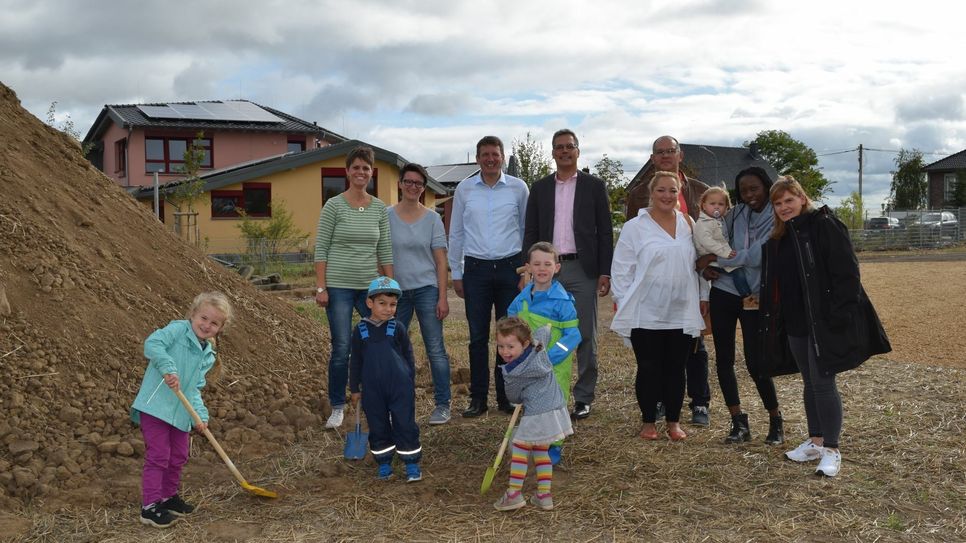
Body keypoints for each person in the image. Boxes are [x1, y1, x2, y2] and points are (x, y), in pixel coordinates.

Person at [760, 177, 890, 477]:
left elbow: (847, 274)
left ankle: (832, 449)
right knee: (809, 381)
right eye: (777, 203)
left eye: (788, 200)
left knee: (822, 382)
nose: (783, 207)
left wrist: (838, 315)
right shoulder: (780, 237)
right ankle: (816, 441)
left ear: (802, 198)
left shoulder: (824, 225)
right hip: (794, 322)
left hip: (823, 321)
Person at [523, 128, 613, 420]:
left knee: (584, 334)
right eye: (559, 147)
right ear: (552, 153)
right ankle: (548, 393)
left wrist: (604, 271)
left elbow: (605, 233)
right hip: (547, 270)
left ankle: (584, 397)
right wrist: (529, 268)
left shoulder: (594, 186)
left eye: (569, 147)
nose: (564, 151)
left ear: (578, 151)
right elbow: (532, 231)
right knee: (544, 333)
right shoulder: (539, 188)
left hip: (582, 268)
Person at [611, 171, 708, 441]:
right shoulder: (635, 226)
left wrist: (703, 297)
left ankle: (674, 423)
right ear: (651, 194)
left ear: (679, 194)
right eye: (661, 190)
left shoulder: (688, 222)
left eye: (672, 191)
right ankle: (648, 422)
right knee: (649, 366)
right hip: (646, 310)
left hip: (680, 308)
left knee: (677, 368)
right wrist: (623, 300)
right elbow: (621, 269)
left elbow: (698, 265)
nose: (667, 196)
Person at [696, 167, 785, 445]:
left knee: (756, 362)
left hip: (754, 295)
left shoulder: (776, 214)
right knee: (724, 360)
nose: (749, 195)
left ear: (766, 187)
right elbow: (707, 237)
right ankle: (738, 421)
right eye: (744, 191)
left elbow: (757, 255)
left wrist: (713, 260)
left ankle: (776, 420)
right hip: (724, 291)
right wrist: (703, 266)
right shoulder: (734, 214)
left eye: (754, 188)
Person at [131, 292, 234, 528]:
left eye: (214, 323)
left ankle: (168, 498)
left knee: (178, 456)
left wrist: (200, 415)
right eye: (203, 318)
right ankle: (150, 507)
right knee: (159, 455)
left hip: (181, 413)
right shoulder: (177, 330)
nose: (207, 325)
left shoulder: (207, 354)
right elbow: (152, 344)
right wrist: (168, 368)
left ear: (220, 328)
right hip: (156, 407)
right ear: (192, 315)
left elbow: (195, 388)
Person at [448, 136, 529, 418]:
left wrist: (525, 271)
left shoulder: (519, 188)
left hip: (510, 270)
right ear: (477, 158)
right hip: (476, 270)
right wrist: (456, 273)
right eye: (484, 154)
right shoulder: (465, 189)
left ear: (503, 157)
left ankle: (507, 396)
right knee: (477, 337)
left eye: (495, 154)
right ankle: (478, 398)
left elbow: (525, 230)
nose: (490, 159)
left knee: (508, 336)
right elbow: (456, 232)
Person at [314, 145, 393, 430]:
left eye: (366, 168)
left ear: (371, 174)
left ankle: (381, 399)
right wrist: (321, 287)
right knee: (342, 347)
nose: (361, 172)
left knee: (380, 340)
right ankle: (337, 406)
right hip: (339, 287)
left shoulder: (379, 208)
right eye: (356, 167)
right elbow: (321, 248)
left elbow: (384, 249)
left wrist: (389, 286)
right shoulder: (333, 205)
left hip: (368, 288)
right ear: (348, 172)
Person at [388, 163, 453, 425]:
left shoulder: (432, 219)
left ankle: (443, 404)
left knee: (435, 348)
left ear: (423, 188)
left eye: (418, 183)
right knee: (395, 349)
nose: (413, 187)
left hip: (427, 289)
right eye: (409, 182)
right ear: (400, 184)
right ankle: (400, 404)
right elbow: (384, 255)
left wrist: (442, 296)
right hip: (397, 292)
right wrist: (387, 290)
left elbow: (440, 261)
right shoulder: (387, 215)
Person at [507, 241, 581, 465]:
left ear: (556, 268)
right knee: (533, 402)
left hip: (554, 365)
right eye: (536, 264)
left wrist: (550, 356)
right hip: (529, 363)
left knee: (554, 403)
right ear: (528, 267)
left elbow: (573, 335)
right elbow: (511, 327)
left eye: (547, 264)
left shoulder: (562, 301)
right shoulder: (520, 300)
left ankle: (553, 446)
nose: (542, 268)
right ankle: (534, 441)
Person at [492, 317, 574, 512]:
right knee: (540, 450)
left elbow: (512, 396)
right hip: (556, 408)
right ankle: (544, 496)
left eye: (510, 347)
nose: (505, 352)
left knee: (520, 446)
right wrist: (546, 326)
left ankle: (513, 494)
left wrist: (518, 394)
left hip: (538, 413)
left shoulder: (514, 372)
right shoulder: (539, 348)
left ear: (524, 344)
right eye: (501, 346)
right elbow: (543, 332)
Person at [349, 277, 423, 482]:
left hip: (399, 386)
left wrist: (410, 379)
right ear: (369, 303)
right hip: (372, 389)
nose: (388, 309)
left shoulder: (397, 328)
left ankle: (411, 463)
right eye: (382, 303)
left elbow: (408, 356)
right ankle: (384, 463)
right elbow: (355, 361)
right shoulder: (360, 330)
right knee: (378, 424)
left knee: (405, 423)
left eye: (393, 304)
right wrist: (354, 388)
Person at [693, 187, 751, 298]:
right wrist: (724, 253)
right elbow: (707, 242)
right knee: (737, 271)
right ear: (704, 206)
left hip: (718, 255)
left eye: (721, 204)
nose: (716, 207)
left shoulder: (718, 219)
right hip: (710, 257)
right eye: (712, 204)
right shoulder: (703, 223)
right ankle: (747, 296)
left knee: (740, 269)